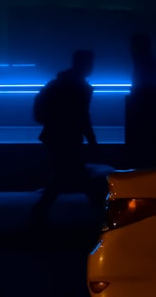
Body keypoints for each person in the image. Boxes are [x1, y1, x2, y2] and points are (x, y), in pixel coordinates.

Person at [30, 49, 101, 223]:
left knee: (63, 178)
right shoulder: (79, 87)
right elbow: (82, 116)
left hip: (54, 136)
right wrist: (93, 141)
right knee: (76, 178)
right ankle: (106, 215)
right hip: (69, 138)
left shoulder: (61, 83)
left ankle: (38, 215)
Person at [126, 34, 156, 168]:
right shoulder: (151, 64)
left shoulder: (146, 65)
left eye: (133, 47)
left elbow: (147, 89)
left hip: (144, 113)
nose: (131, 50)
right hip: (147, 114)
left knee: (144, 153)